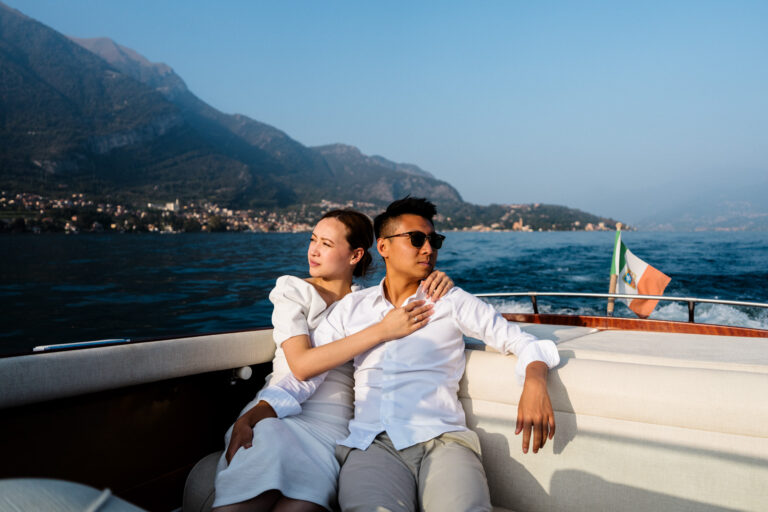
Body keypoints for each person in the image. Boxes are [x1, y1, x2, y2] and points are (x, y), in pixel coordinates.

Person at [262, 197, 560, 512]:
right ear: (383, 247)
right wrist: (262, 410)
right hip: (372, 444)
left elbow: (523, 342)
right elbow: (309, 371)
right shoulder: (351, 308)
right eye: (416, 239)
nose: (428, 249)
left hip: (444, 441)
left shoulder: (450, 301)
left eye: (434, 240)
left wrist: (535, 382)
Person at [212, 209, 455, 512]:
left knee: (302, 506)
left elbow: (409, 300)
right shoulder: (294, 291)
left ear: (355, 255)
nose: (313, 250)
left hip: (336, 429)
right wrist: (381, 331)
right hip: (280, 412)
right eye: (313, 240)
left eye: (326, 244)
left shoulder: (366, 302)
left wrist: (433, 279)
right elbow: (301, 366)